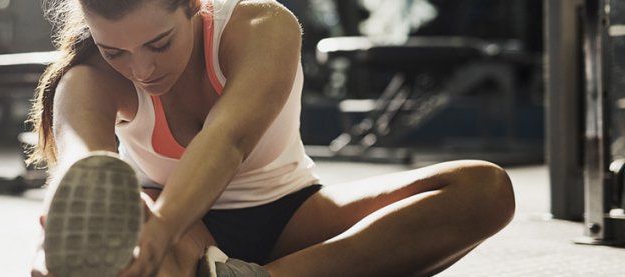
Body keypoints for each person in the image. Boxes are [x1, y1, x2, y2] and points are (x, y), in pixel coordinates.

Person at [26, 0, 516, 276]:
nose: (142, 69)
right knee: (128, 258)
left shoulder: (263, 26)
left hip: (292, 215)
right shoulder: (87, 77)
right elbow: (79, 165)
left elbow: (227, 140)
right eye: (116, 52)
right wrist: (72, 240)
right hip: (185, 237)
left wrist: (162, 227)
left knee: (484, 191)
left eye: (159, 43)